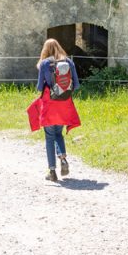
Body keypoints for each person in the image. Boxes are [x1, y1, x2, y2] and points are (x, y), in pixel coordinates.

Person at [28, 38, 81, 182]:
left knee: (49, 137)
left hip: (49, 105)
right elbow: (76, 85)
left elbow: (39, 87)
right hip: (64, 104)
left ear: (45, 50)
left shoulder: (45, 64)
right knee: (59, 134)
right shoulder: (69, 62)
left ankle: (52, 171)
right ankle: (63, 159)